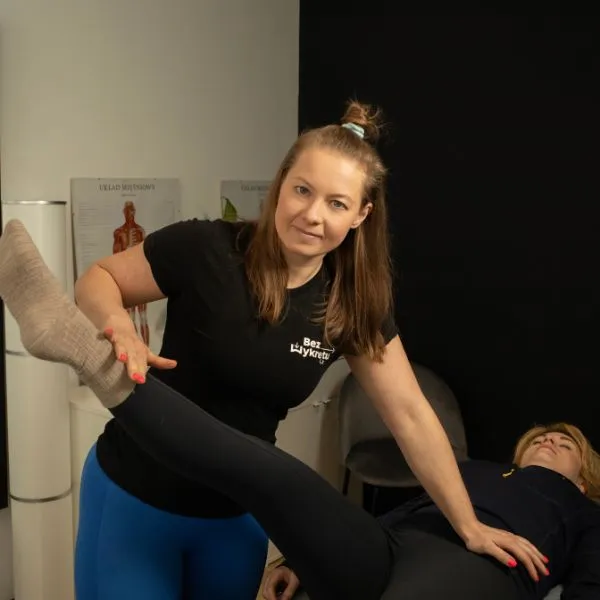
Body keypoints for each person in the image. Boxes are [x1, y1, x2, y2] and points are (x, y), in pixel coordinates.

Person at [0, 100, 547, 598]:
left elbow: (410, 414)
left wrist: (468, 524)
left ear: (360, 215)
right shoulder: (206, 247)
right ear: (281, 183)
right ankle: (85, 351)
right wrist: (118, 324)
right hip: (134, 500)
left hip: (235, 519)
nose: (312, 215)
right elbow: (99, 278)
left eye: (336, 203)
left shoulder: (349, 306)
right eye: (303, 190)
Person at [262, 423, 600, 600]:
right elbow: (405, 510)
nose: (548, 442)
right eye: (540, 439)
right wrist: (299, 563)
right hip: (402, 538)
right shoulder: (473, 468)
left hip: (483, 562)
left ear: (583, 481)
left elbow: (591, 578)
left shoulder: (581, 507)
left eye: (564, 444)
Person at [112, 200, 149, 344]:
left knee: (143, 316)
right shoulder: (119, 232)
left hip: (140, 278)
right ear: (124, 212)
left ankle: (147, 348)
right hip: (126, 278)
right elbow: (115, 255)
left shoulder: (140, 231)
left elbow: (145, 254)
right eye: (127, 210)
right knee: (131, 317)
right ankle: (135, 347)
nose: (130, 213)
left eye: (132, 210)